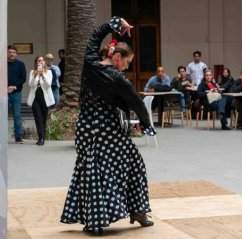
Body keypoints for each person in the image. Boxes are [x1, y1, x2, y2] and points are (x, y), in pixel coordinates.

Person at [60, 17, 156, 234]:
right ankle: (139, 211)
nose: (127, 67)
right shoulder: (118, 79)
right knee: (134, 163)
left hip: (85, 129)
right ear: (117, 57)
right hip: (108, 130)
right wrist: (146, 125)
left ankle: (94, 223)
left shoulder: (90, 62)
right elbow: (137, 104)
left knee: (91, 171)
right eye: (127, 62)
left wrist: (115, 23)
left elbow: (94, 36)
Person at [27, 56, 55, 146]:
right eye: (39, 60)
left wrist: (43, 75)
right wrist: (35, 75)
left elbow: (48, 85)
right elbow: (30, 84)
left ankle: (42, 136)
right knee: (38, 118)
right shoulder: (32, 72)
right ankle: (41, 138)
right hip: (35, 98)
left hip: (45, 98)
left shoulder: (49, 72)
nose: (41, 62)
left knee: (43, 118)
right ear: (36, 63)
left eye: (43, 60)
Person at [7, 45, 26, 144]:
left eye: (13, 52)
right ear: (7, 53)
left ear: (16, 54)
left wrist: (14, 86)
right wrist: (4, 88)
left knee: (17, 115)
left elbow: (23, 78)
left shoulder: (20, 64)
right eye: (10, 52)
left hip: (16, 93)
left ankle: (18, 137)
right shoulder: (2, 64)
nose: (11, 54)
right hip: (3, 94)